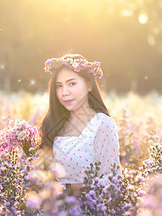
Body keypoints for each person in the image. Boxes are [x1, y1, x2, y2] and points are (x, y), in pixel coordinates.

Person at [38, 53, 123, 197]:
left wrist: (74, 188)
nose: (64, 92)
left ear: (89, 85)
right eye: (59, 86)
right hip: (52, 213)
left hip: (87, 213)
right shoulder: (56, 123)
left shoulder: (102, 124)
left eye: (72, 84)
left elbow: (113, 180)